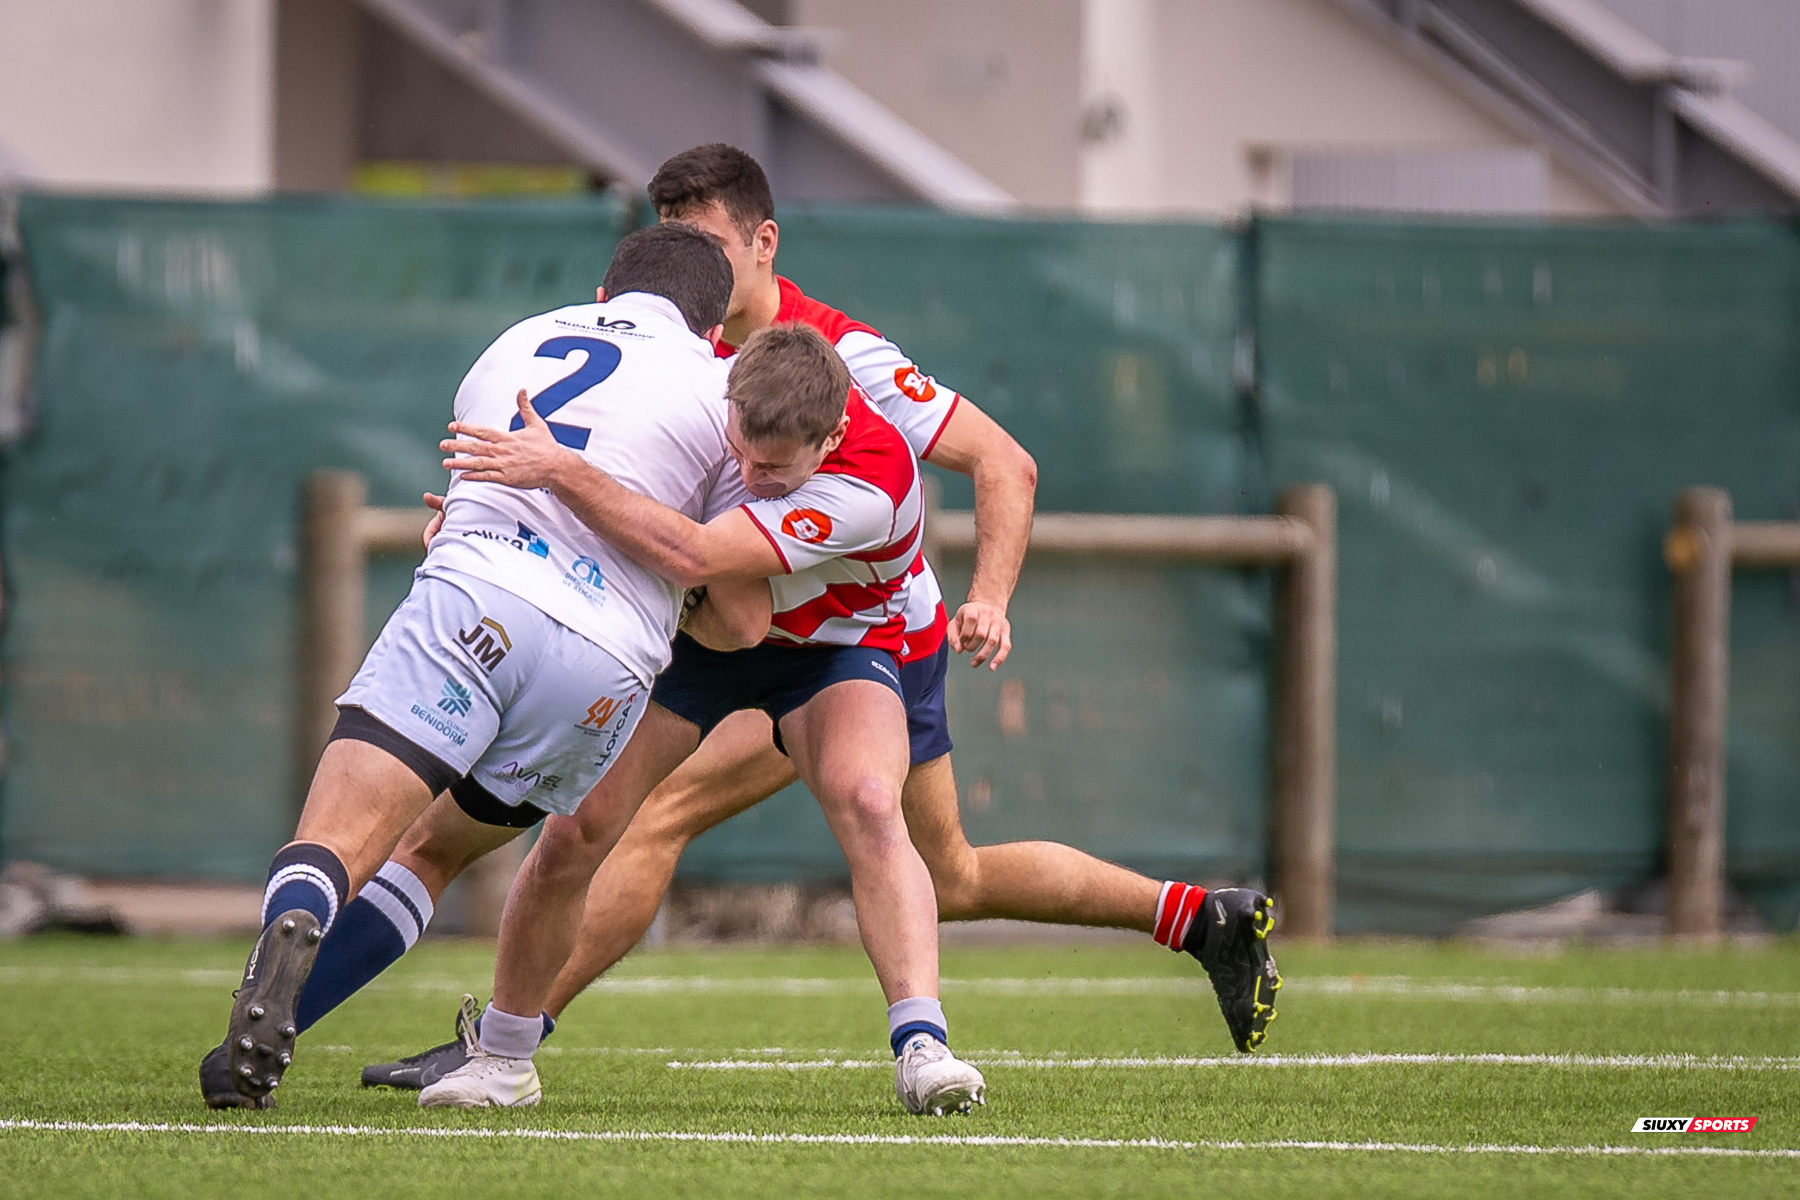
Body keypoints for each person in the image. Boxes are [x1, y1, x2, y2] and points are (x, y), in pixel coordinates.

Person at [235, 143, 1276, 1106]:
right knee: (940, 869)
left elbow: (1002, 466)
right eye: (674, 235)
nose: (692, 257)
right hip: (714, 624)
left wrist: (989, 599)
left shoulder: (845, 371)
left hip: (840, 637)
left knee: (691, 815)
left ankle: (517, 1041)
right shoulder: (666, 342)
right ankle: (1195, 916)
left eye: (712, 241)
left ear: (762, 244)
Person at [199, 221, 747, 1108]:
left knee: (340, 841)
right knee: (434, 850)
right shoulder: (723, 390)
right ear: (712, 328)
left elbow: (467, 486)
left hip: (477, 601)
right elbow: (735, 612)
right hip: (603, 666)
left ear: (604, 295)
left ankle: (294, 923)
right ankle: (255, 1055)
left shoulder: (519, 340)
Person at [417, 325, 987, 1114]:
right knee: (577, 828)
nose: (750, 476)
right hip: (702, 639)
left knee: (868, 801)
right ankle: (504, 1058)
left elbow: (702, 565)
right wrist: (489, 525)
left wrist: (557, 469)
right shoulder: (725, 393)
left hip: (830, 646)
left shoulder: (878, 482)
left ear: (833, 435)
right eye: (742, 454)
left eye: (775, 469)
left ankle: (924, 1048)